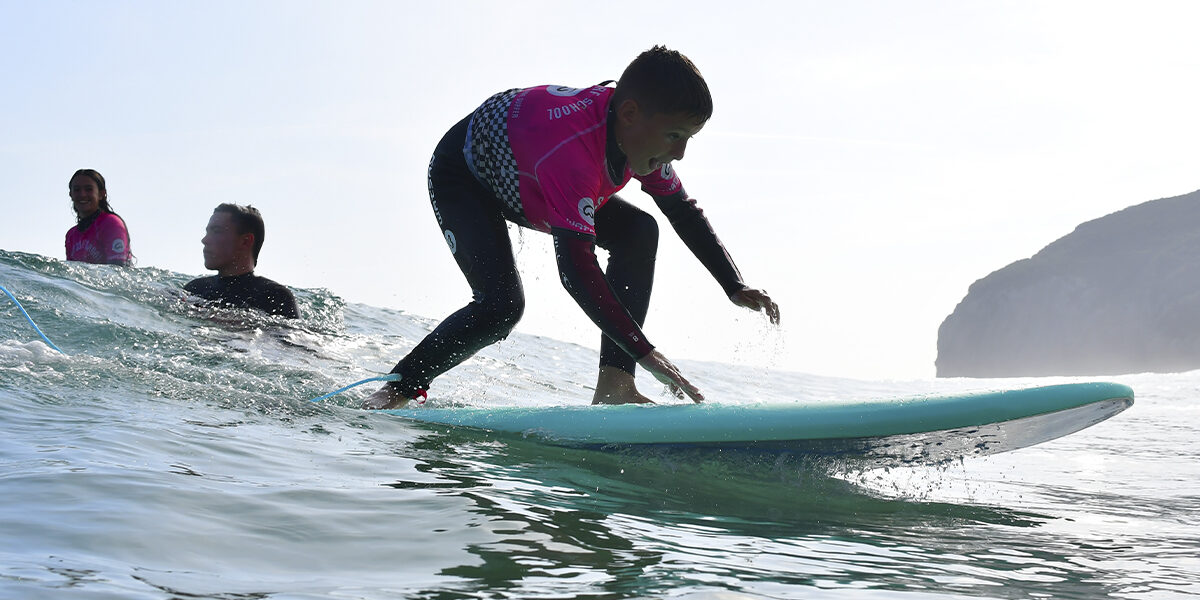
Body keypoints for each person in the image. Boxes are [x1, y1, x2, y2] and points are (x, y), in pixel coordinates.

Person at [365, 45, 779, 409]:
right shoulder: (573, 154)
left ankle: (615, 386)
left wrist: (733, 284)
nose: (681, 153)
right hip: (467, 176)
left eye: (687, 138)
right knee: (501, 307)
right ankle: (395, 389)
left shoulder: (633, 135)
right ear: (631, 114)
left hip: (530, 177)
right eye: (674, 136)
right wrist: (648, 354)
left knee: (639, 231)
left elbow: (682, 211)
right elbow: (576, 272)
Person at [184, 203, 300, 319]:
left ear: (245, 241)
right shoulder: (195, 289)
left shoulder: (275, 296)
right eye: (207, 232)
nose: (205, 240)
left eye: (216, 231)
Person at [65, 169, 133, 265]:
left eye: (88, 189)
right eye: (77, 190)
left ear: (101, 194)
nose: (82, 194)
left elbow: (118, 268)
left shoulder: (111, 223)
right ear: (71, 194)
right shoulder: (71, 235)